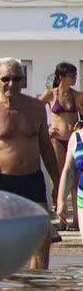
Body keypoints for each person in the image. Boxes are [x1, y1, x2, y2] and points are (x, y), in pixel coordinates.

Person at [0, 57, 62, 270]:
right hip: (1, 182)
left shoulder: (36, 107)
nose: (12, 83)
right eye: (7, 79)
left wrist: (57, 182)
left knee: (41, 239)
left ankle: (36, 289)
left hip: (32, 180)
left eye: (18, 78)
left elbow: (46, 148)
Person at [45, 62, 80, 228]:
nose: (75, 78)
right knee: (59, 178)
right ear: (61, 77)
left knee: (75, 180)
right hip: (58, 140)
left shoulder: (77, 96)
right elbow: (34, 110)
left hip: (73, 140)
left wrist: (80, 124)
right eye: (72, 75)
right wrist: (46, 128)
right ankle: (61, 217)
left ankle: (76, 219)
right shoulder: (51, 95)